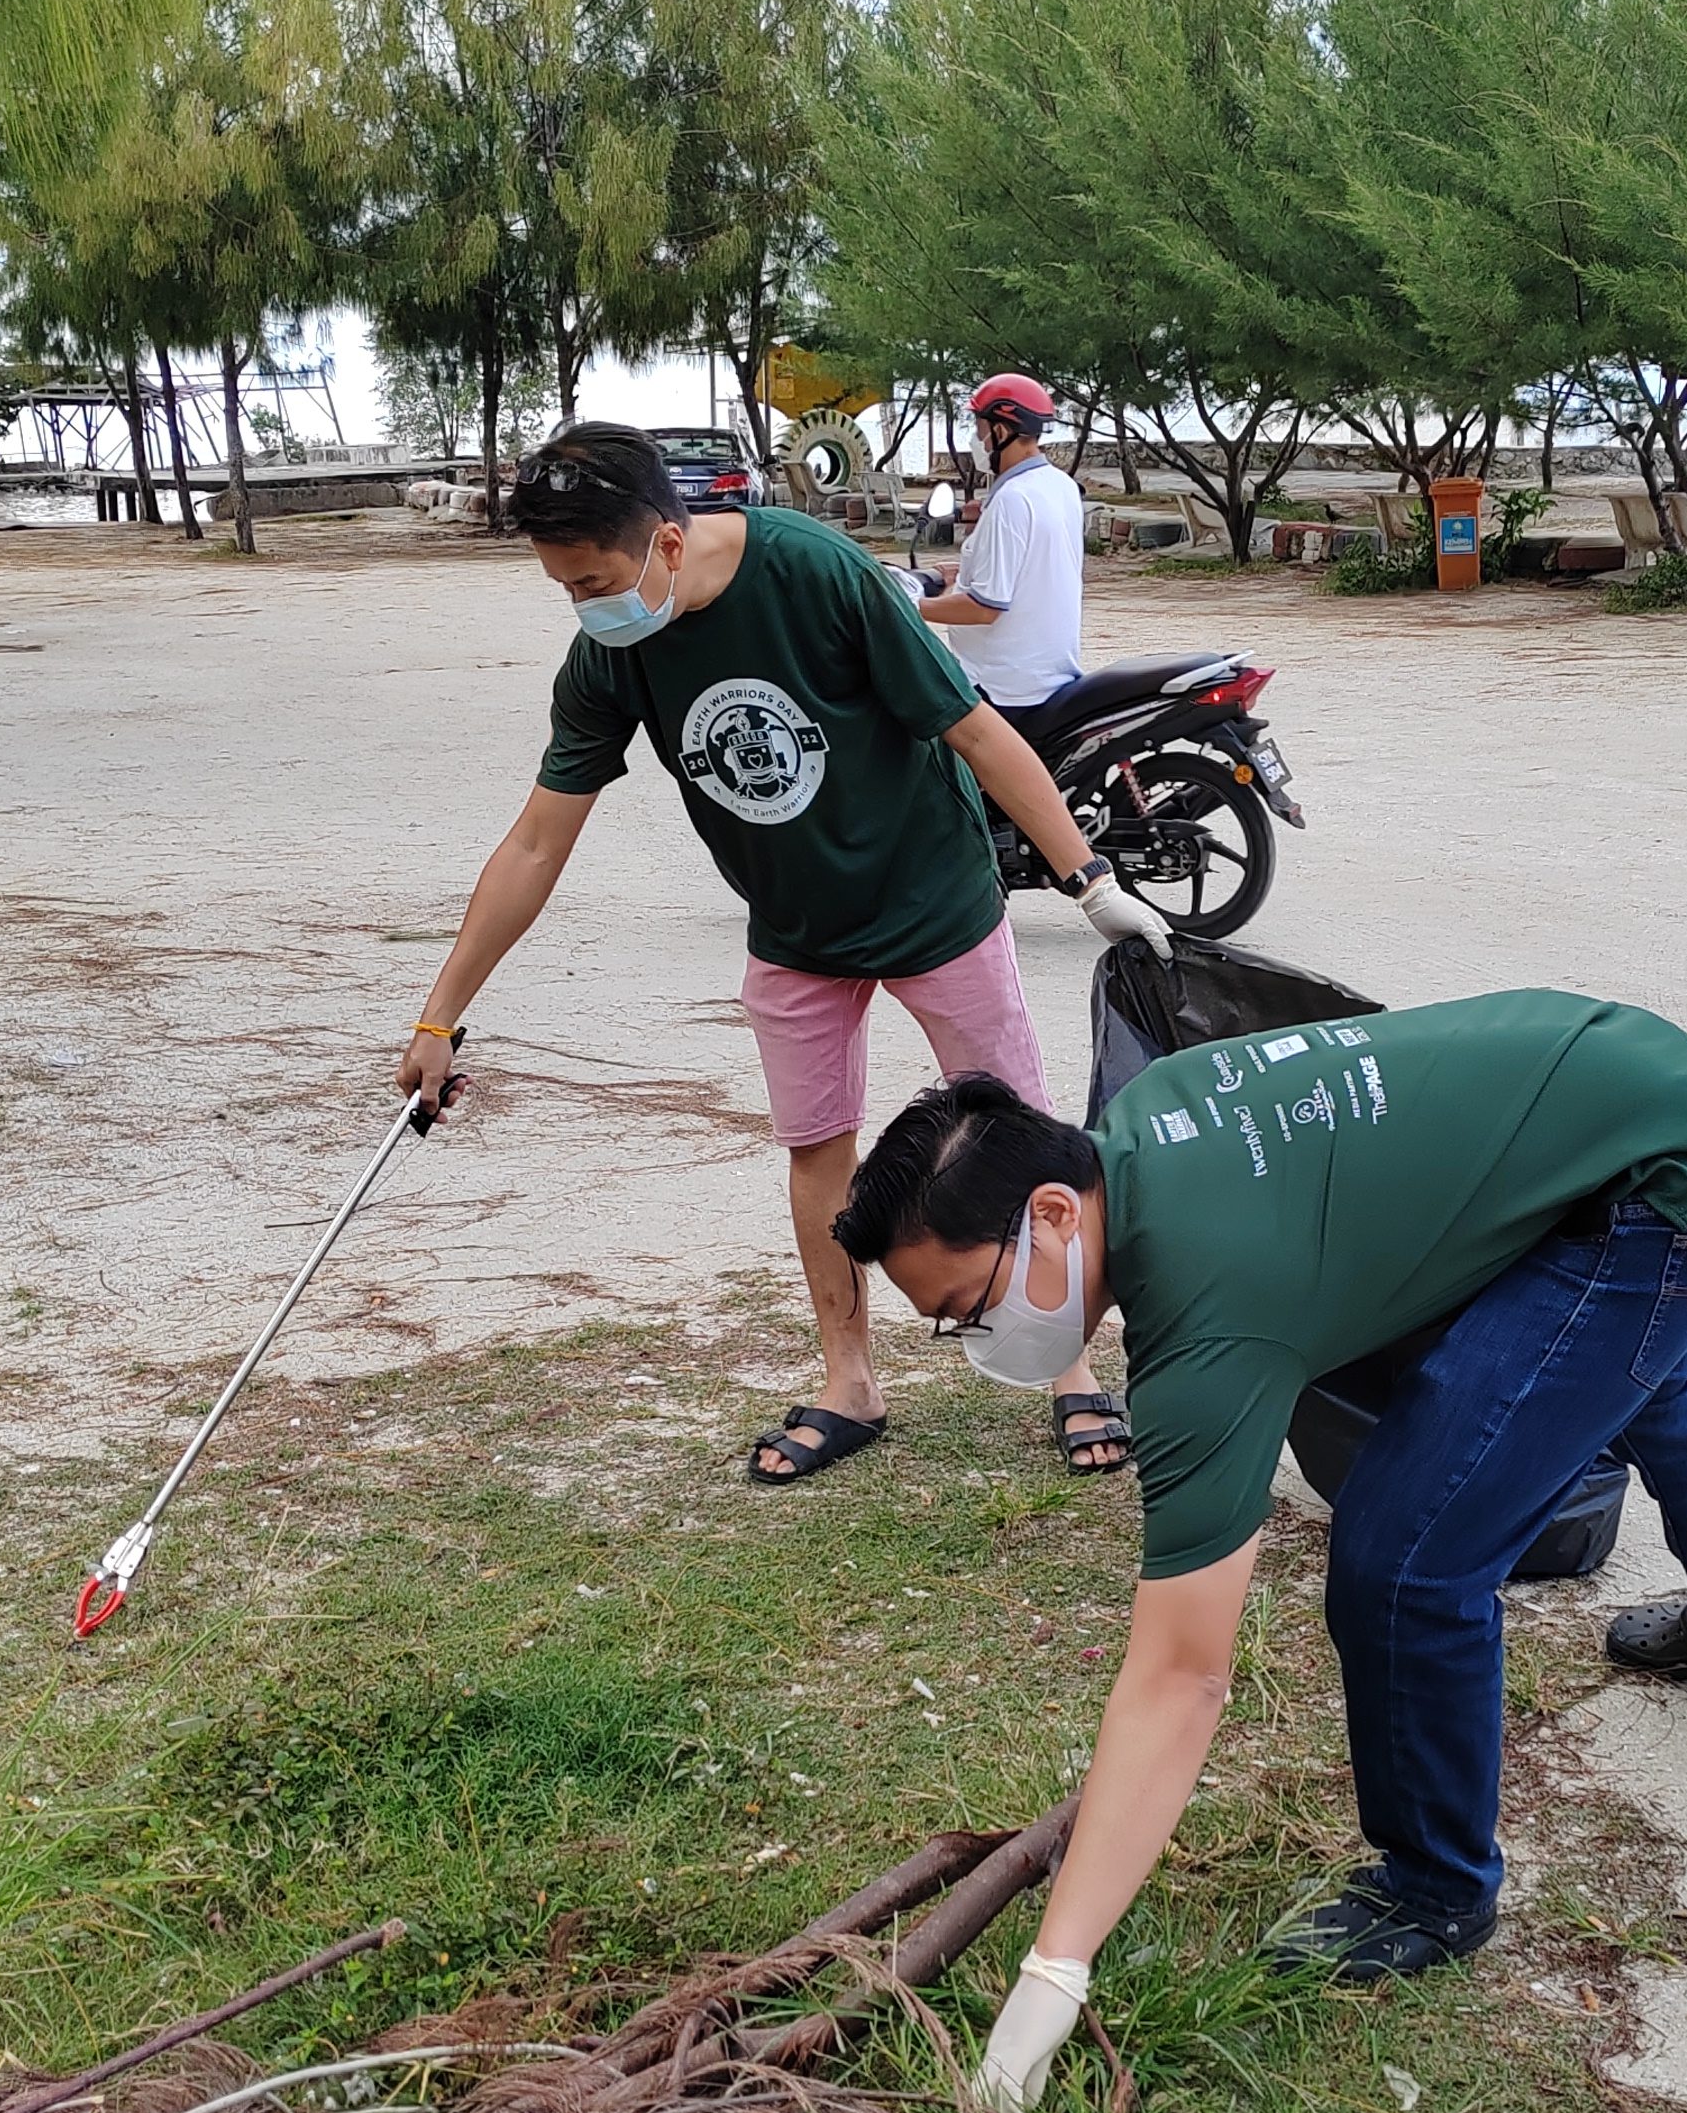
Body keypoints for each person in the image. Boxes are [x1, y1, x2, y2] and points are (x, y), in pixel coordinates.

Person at [834, 992, 1687, 2113]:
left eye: (968, 1307)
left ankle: (1435, 1888)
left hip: (1659, 1182)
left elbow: (1180, 1678)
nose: (976, 1338)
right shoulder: (1146, 1120)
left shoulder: (1210, 1322)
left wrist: (1054, 1971)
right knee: (1620, 1360)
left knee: (1406, 1563)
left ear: (1054, 1213)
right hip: (1610, 1088)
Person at [398, 419, 1177, 1485]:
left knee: (1020, 1133)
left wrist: (1090, 883)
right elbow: (537, 841)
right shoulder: (609, 658)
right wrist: (438, 1016)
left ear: (667, 542)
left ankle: (1069, 1368)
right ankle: (850, 1380)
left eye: (594, 581)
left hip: (934, 898)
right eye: (564, 588)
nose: (584, 606)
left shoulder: (816, 572)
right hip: (796, 929)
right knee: (817, 1149)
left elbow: (974, 728)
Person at [906, 375, 1086, 712]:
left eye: (979, 430)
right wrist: (963, 575)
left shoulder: (1012, 500)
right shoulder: (1060, 485)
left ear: (1000, 431)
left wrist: (910, 607)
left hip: (1001, 686)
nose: (978, 441)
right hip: (1048, 673)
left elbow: (985, 608)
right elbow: (1034, 568)